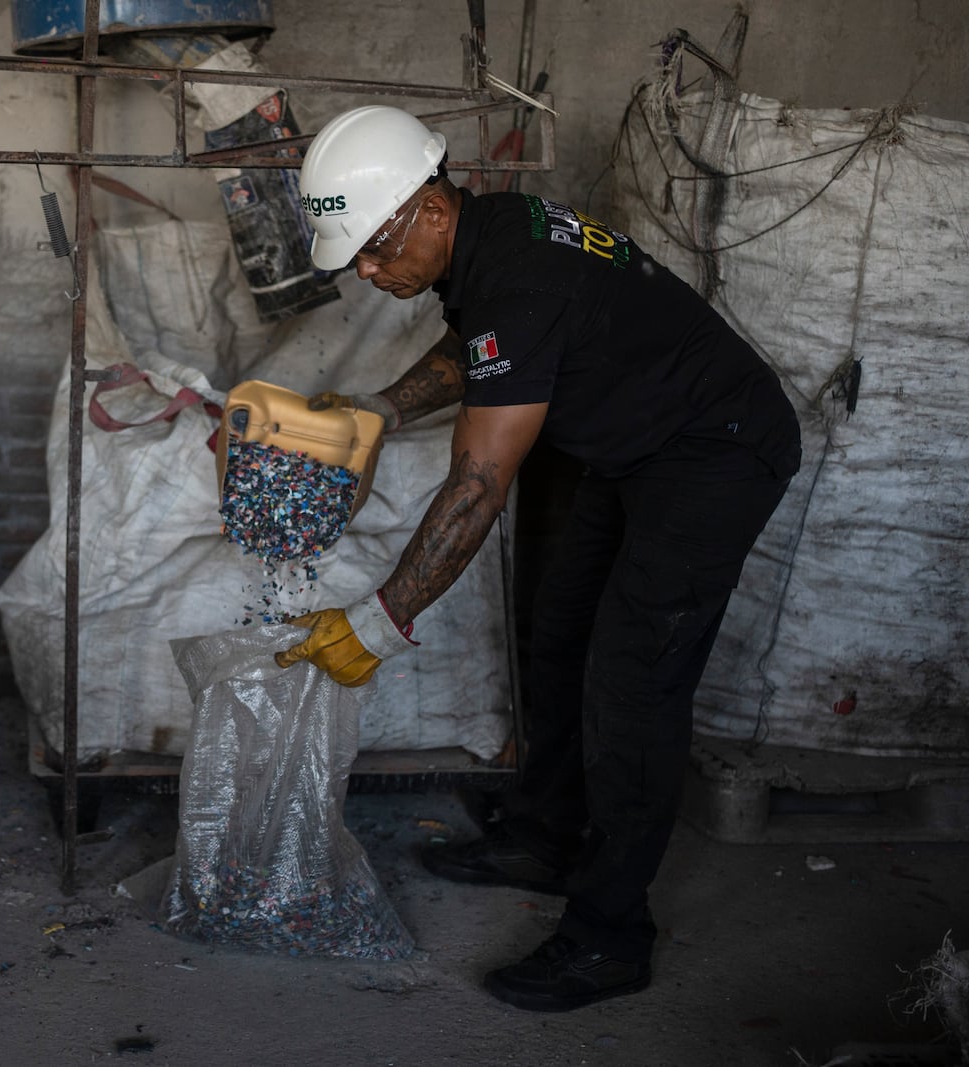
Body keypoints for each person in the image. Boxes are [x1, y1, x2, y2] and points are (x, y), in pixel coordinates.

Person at [274, 105, 801, 1011]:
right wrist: (384, 410)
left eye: (370, 247)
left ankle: (609, 939)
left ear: (429, 210)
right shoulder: (496, 234)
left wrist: (381, 619)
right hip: (639, 446)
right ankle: (548, 834)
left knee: (632, 690)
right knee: (558, 627)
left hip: (715, 451)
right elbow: (479, 349)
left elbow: (475, 487)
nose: (364, 270)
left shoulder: (522, 277)